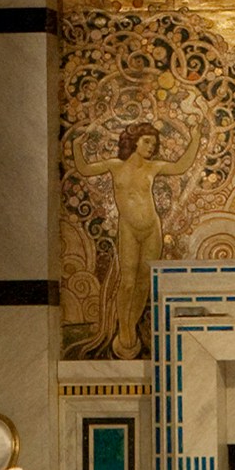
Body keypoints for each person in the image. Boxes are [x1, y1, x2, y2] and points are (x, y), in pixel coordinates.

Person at [72, 120, 201, 359]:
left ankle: (129, 326)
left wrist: (194, 138)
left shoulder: (153, 167)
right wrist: (77, 147)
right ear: (134, 142)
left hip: (152, 229)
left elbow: (182, 166)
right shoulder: (115, 166)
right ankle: (125, 328)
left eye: (154, 142)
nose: (151, 146)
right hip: (129, 229)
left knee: (144, 281)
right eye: (147, 141)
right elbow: (84, 169)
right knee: (128, 281)